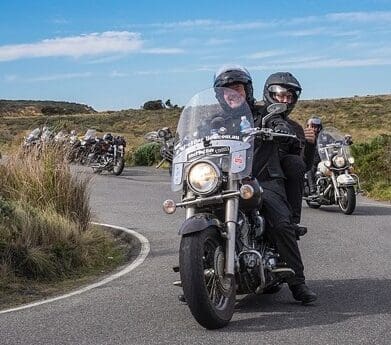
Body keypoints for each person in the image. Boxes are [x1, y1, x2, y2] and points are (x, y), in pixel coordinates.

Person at [213, 65, 317, 304]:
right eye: (227, 90)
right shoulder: (214, 121)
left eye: (237, 88)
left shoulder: (265, 115)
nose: (233, 94)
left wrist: (279, 128)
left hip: (262, 179)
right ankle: (197, 276)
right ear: (220, 94)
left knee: (281, 223)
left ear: (247, 91)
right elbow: (194, 141)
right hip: (223, 181)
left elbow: (284, 132)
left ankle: (298, 283)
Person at [261, 72, 317, 225]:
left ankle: (292, 221)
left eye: (289, 97)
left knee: (295, 163)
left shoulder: (295, 127)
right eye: (281, 95)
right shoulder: (253, 117)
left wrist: (310, 144)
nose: (285, 100)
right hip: (247, 173)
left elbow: (304, 166)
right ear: (270, 94)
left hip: (274, 180)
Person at [305, 117, 323, 195]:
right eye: (312, 126)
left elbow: (335, 141)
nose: (314, 129)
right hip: (312, 160)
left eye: (316, 127)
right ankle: (313, 188)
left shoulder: (323, 136)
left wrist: (345, 141)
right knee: (310, 168)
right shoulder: (305, 136)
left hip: (324, 160)